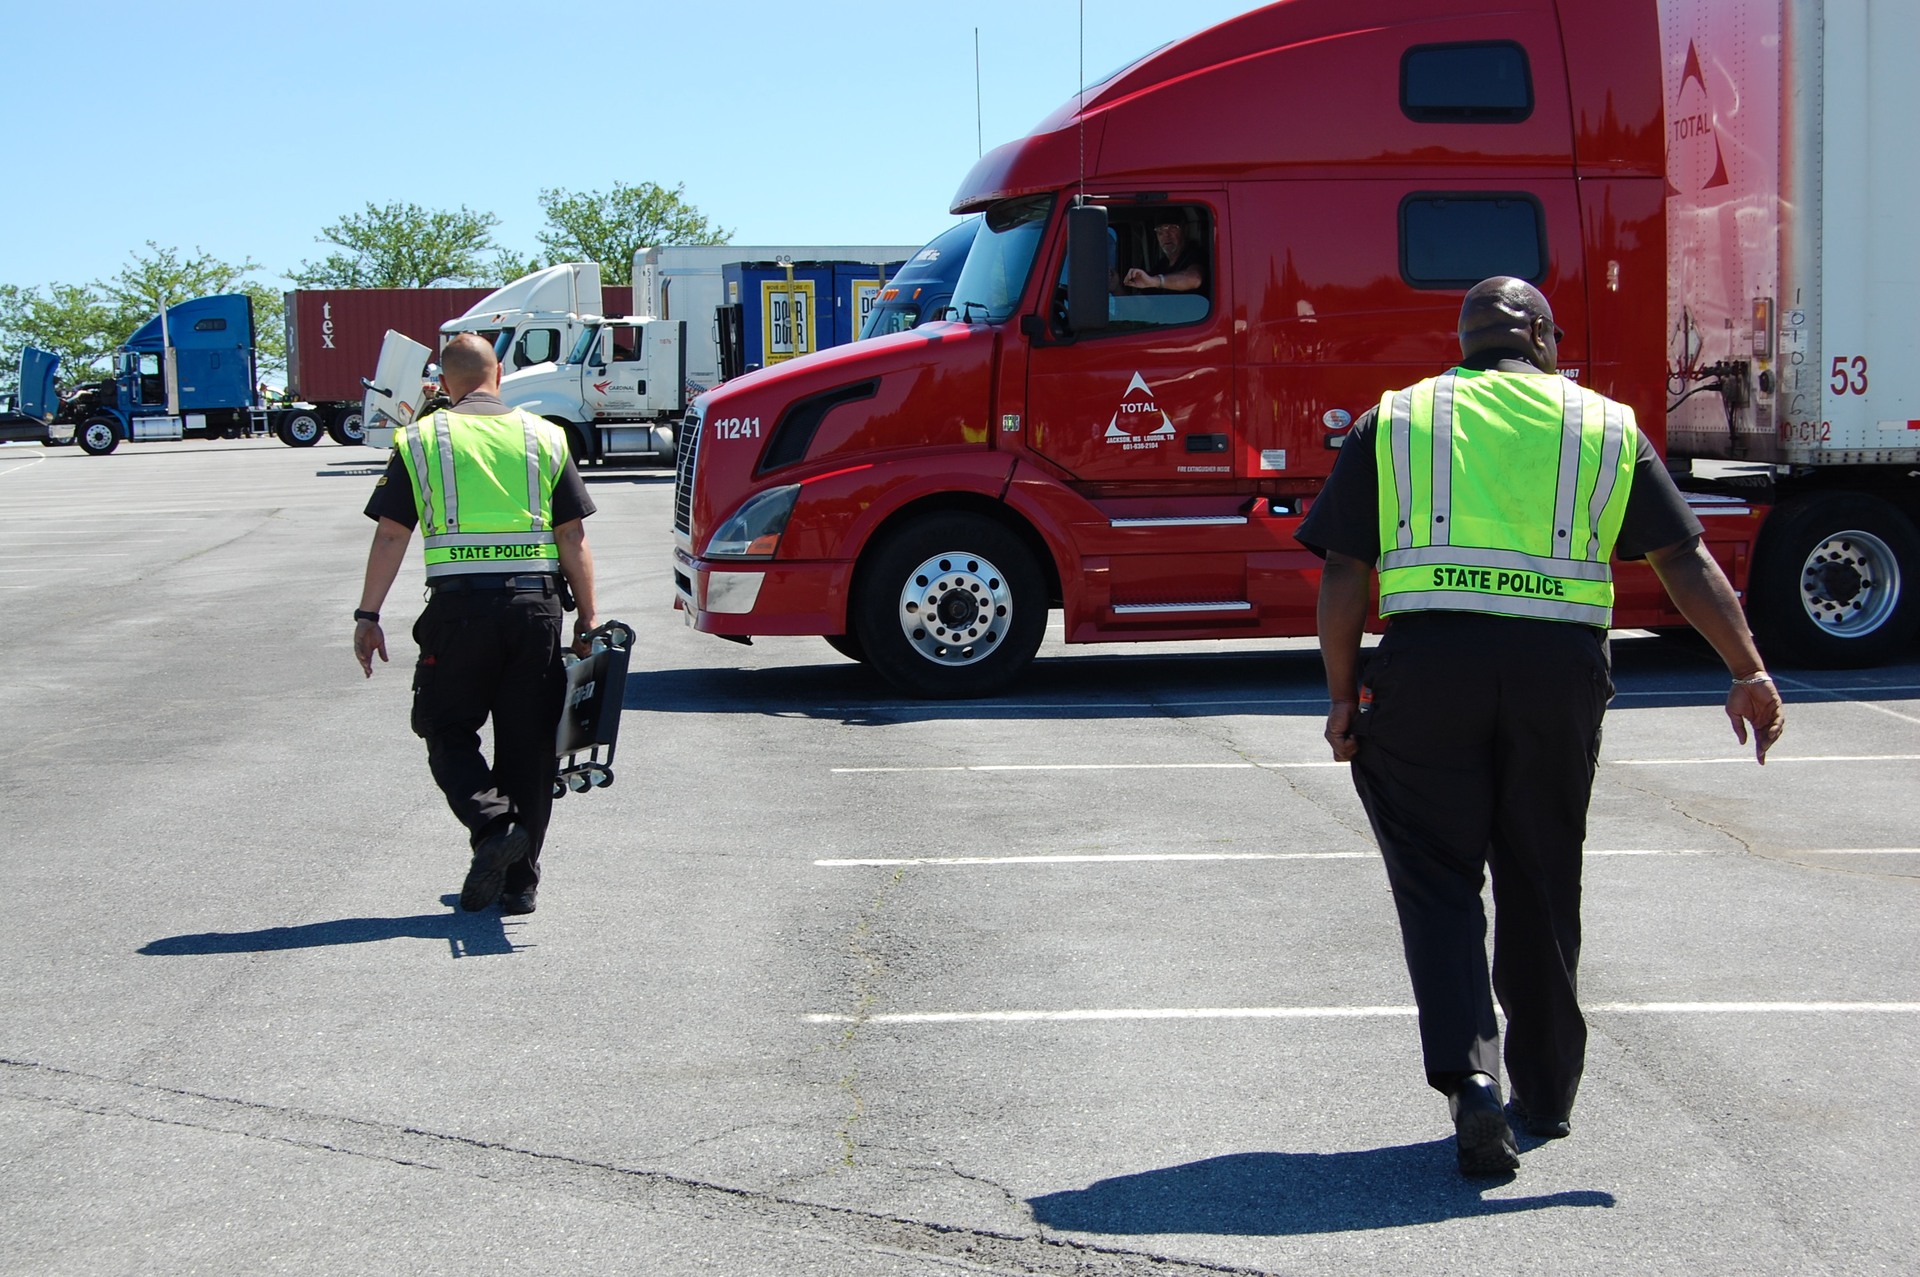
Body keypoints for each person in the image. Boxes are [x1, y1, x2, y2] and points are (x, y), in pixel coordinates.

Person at [1295, 277, 1784, 1176]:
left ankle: (1470, 1082)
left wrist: (1338, 695)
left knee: (1438, 882)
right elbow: (1684, 557)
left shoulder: (1396, 419)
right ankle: (1547, 1093)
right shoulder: (1605, 425)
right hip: (1557, 677)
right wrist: (1747, 669)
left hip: (1427, 670)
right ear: (1547, 338)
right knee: (1542, 873)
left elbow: (1342, 568)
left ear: (1465, 340)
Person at [352, 333, 600, 916]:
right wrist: (587, 617)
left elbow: (392, 533)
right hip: (535, 610)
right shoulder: (545, 436)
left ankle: (493, 830)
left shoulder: (421, 440)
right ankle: (520, 883)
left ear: (443, 381)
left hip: (458, 612)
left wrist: (369, 616)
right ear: (500, 373)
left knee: (446, 728)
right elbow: (572, 537)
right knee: (530, 749)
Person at [1122, 216, 1205, 293]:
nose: (1166, 235)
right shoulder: (1161, 265)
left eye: (1172, 229)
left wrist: (1155, 281)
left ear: (1185, 230)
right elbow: (1142, 305)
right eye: (1160, 231)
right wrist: (1116, 288)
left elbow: (1195, 279)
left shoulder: (1196, 255)